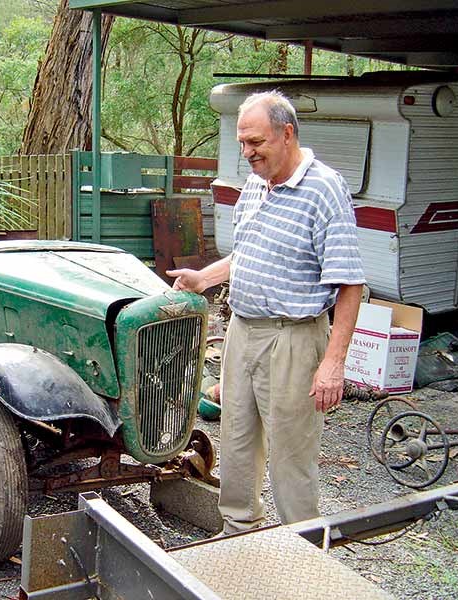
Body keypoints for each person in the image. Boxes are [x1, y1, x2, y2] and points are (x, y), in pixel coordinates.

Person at [167, 91, 365, 533]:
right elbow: (248, 254)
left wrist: (333, 364)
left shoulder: (325, 189)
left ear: (287, 133)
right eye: (242, 143)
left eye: (255, 141)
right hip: (243, 330)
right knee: (237, 439)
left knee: (291, 453)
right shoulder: (255, 186)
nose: (247, 152)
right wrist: (205, 277)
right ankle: (239, 531)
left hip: (292, 337)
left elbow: (350, 284)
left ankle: (304, 549)